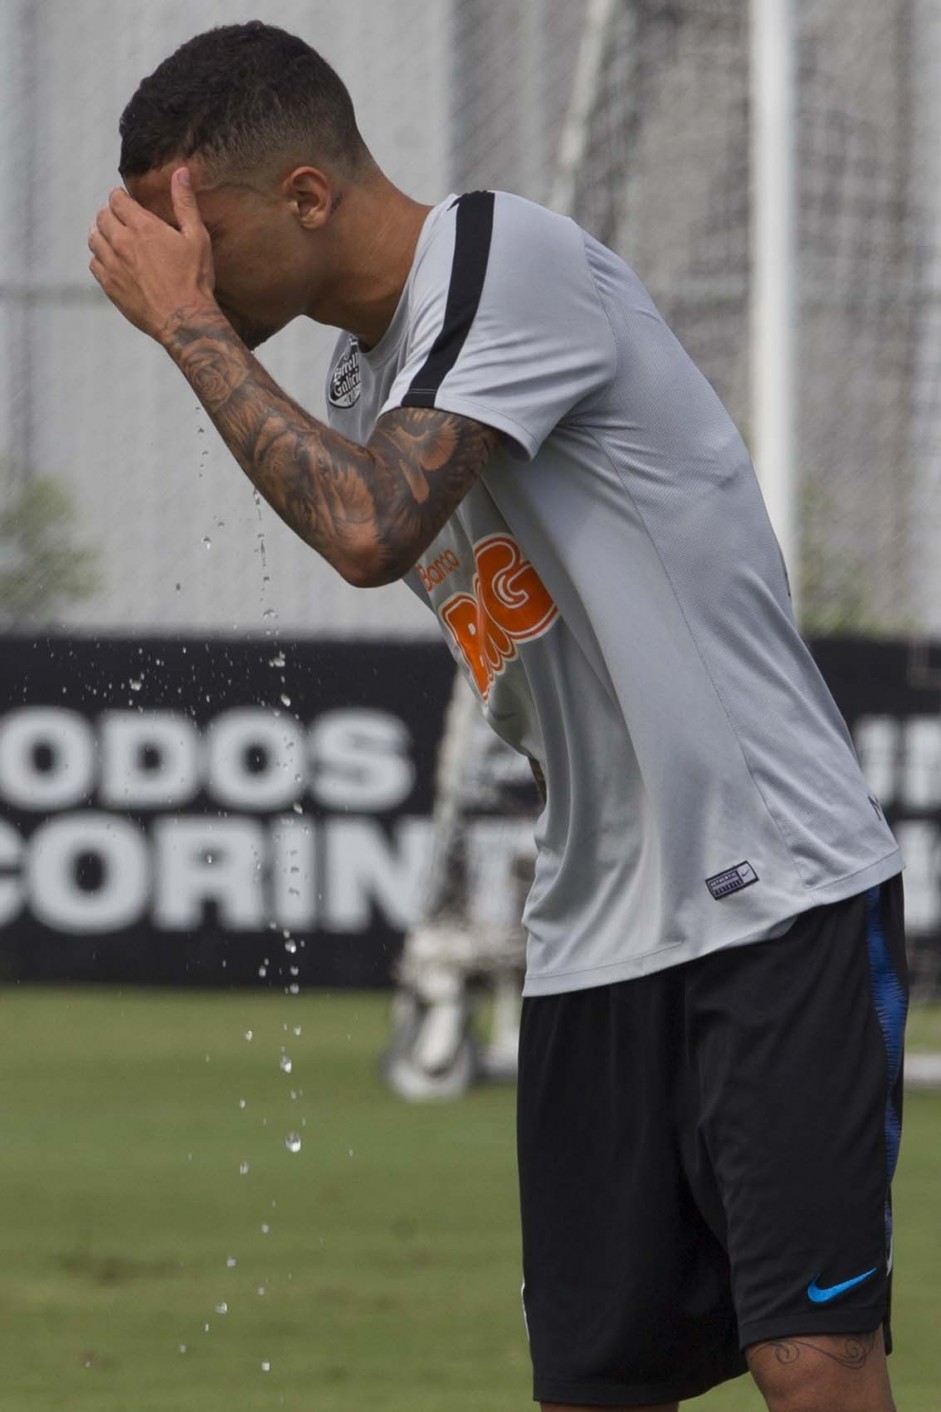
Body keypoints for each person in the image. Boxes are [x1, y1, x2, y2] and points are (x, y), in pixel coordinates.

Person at [89, 21, 907, 1412]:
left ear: (305, 194)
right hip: (595, 928)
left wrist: (189, 329)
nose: (190, 270)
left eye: (198, 231)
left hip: (773, 887)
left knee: (810, 1358)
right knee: (594, 1384)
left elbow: (365, 526)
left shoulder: (497, 257)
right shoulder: (362, 381)